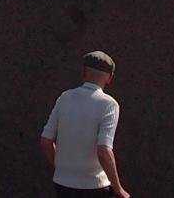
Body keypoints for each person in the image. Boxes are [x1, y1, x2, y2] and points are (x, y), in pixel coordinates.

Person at [39, 51, 129, 198]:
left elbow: (46, 141)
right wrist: (118, 189)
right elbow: (104, 151)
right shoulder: (109, 105)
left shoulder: (65, 98)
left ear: (84, 72)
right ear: (110, 78)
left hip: (63, 185)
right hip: (95, 187)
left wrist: (62, 169)